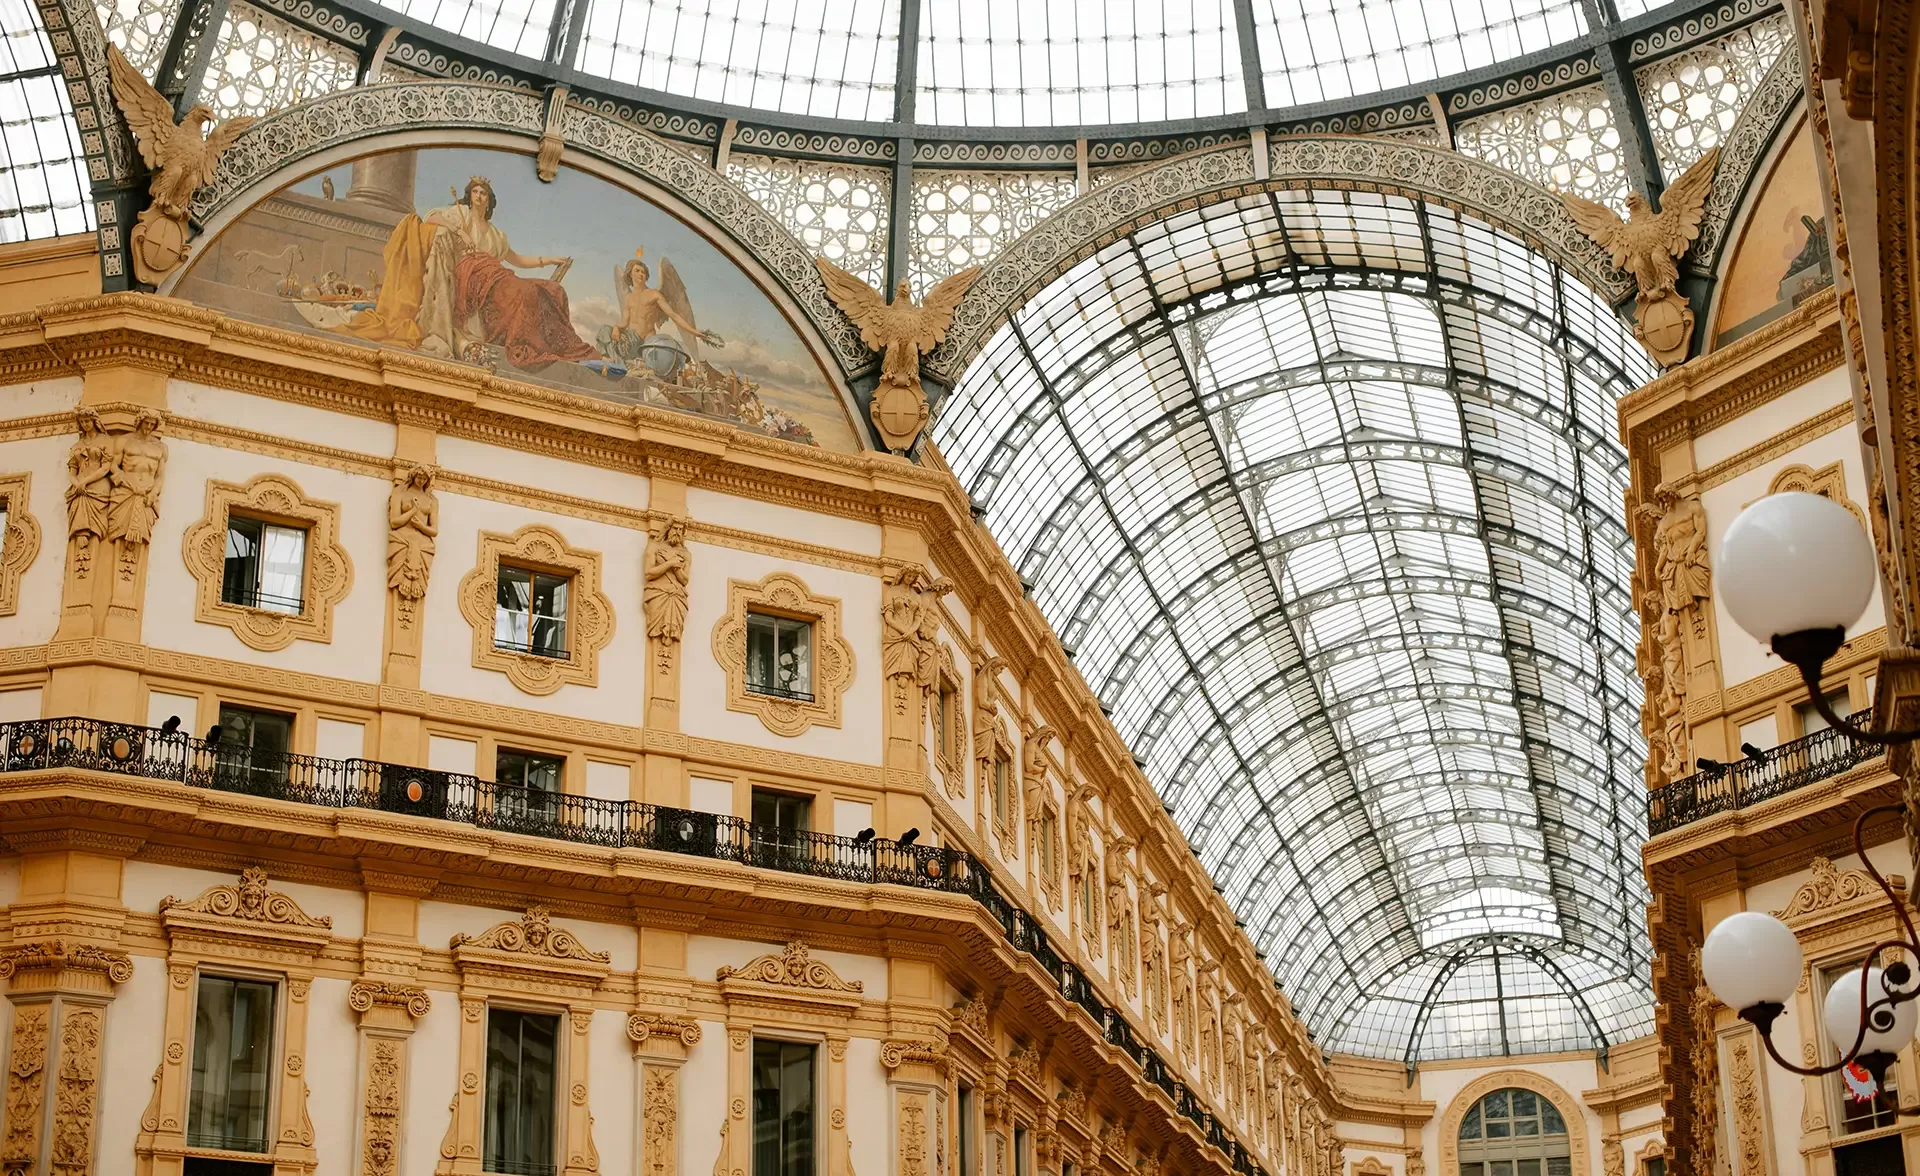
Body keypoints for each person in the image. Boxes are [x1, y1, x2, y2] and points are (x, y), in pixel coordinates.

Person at [351, 176, 597, 369]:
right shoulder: (461, 215)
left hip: (496, 276)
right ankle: (524, 342)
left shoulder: (496, 234)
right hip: (472, 278)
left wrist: (549, 260)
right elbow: (431, 217)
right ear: (470, 196)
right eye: (476, 192)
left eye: (484, 194)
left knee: (551, 290)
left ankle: (549, 343)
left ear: (489, 200)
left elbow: (517, 259)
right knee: (527, 293)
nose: (479, 197)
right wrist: (458, 231)